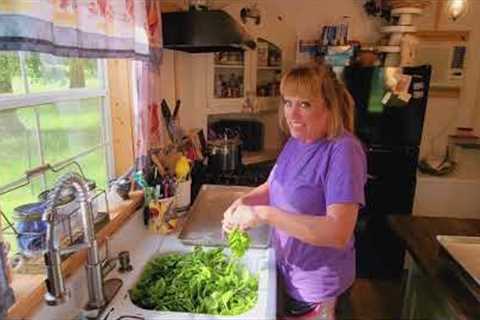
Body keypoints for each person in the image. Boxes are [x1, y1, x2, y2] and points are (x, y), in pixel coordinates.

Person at [222, 63, 367, 320]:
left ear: (329, 106)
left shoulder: (343, 151)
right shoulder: (296, 141)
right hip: (288, 276)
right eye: (288, 102)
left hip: (319, 291)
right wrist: (242, 202)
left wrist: (264, 214)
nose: (292, 114)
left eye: (305, 104)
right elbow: (272, 186)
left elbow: (338, 232)